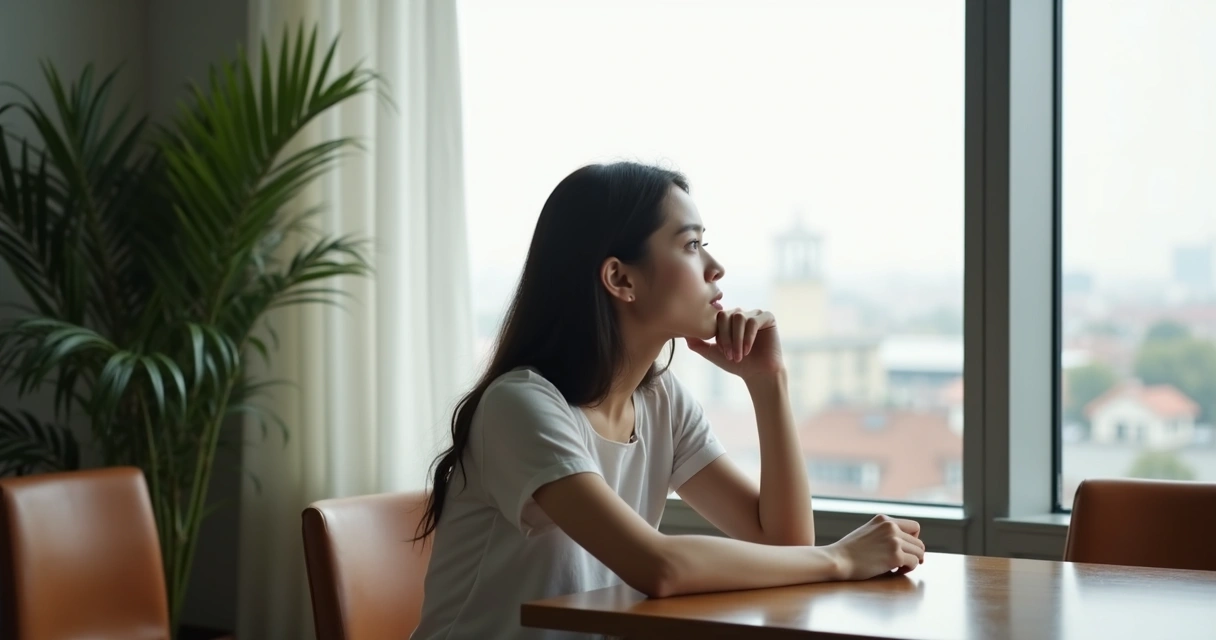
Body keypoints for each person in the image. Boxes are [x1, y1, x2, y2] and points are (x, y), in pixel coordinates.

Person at [411, 162, 925, 639]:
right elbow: (659, 567)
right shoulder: (521, 406)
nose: (715, 267)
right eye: (691, 244)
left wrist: (768, 384)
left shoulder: (660, 401)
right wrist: (841, 559)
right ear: (620, 279)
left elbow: (786, 548)